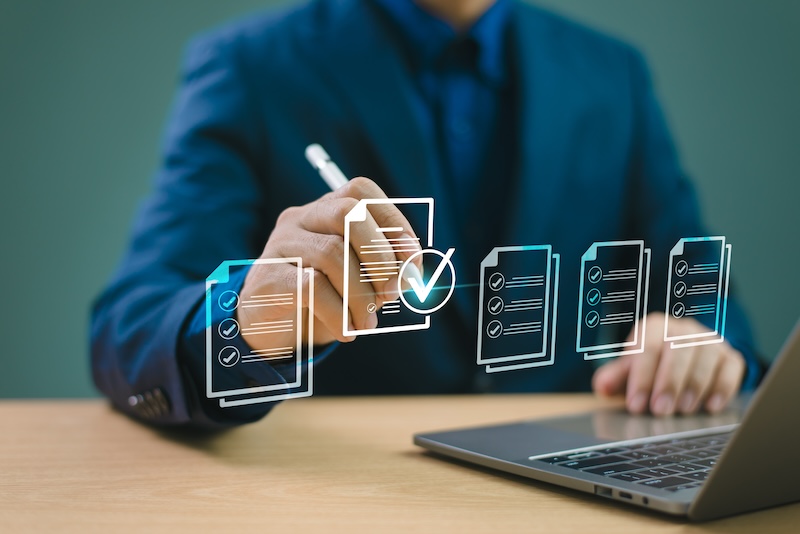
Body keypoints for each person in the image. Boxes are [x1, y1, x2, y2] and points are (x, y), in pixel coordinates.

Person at [90, 0, 760, 429]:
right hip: (348, 500)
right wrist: (248, 320)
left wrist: (695, 337)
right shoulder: (251, 69)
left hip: (577, 488)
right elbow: (128, 330)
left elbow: (702, 293)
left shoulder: (612, 74)